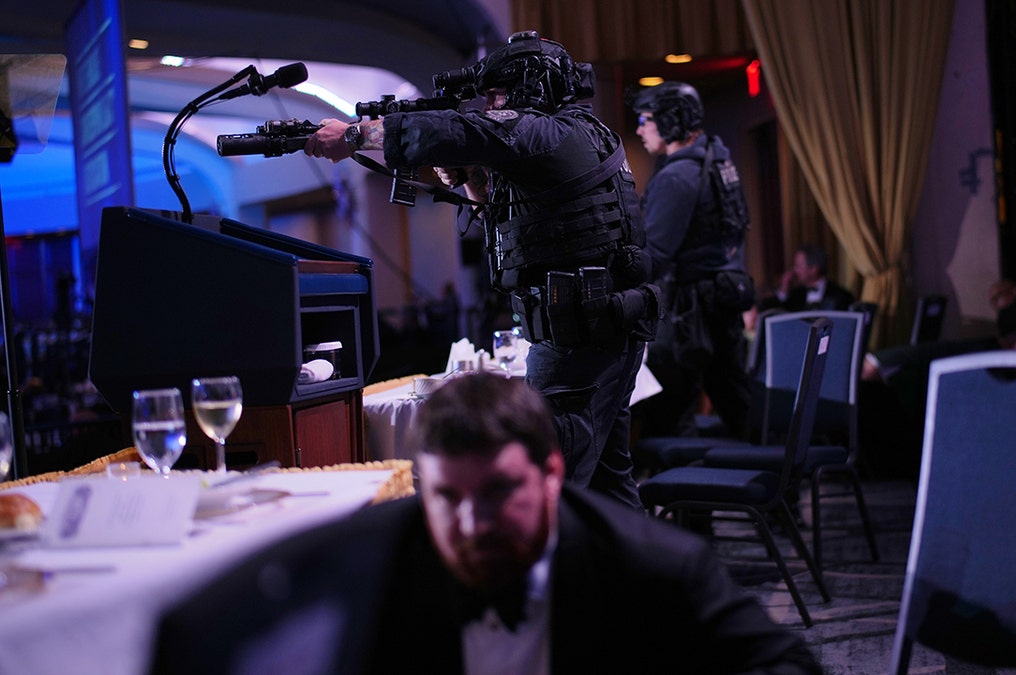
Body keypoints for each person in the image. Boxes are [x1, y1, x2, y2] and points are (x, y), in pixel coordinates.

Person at [154, 374, 820, 674]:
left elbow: (784, 660)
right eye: (448, 497)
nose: (472, 521)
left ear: (553, 473)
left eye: (501, 490)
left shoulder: (652, 564)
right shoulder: (373, 562)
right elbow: (201, 632)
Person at [305, 31, 659, 510]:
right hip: (599, 331)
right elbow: (515, 222)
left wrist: (355, 135)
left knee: (546, 496)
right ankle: (636, 580)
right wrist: (471, 179)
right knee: (609, 488)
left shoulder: (551, 133)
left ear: (534, 86)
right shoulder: (581, 135)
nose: (492, 103)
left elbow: (460, 129)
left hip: (579, 341)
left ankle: (555, 583)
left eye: (499, 93)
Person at [626, 81, 754, 439]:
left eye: (645, 118)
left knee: (664, 415)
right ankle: (779, 485)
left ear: (669, 120)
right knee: (735, 400)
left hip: (690, 313)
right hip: (722, 298)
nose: (639, 128)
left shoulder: (677, 176)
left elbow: (657, 256)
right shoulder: (718, 161)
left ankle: (670, 490)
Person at [761, 245, 855, 312]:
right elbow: (773, 312)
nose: (794, 270)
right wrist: (784, 289)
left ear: (814, 270)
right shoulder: (795, 295)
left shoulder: (841, 296)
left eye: (798, 266)